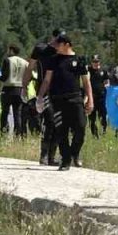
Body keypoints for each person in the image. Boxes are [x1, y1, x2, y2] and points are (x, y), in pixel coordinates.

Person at [39, 33, 92, 170]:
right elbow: (47, 80)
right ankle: (65, 160)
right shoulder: (53, 60)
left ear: (67, 45)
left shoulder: (79, 60)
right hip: (57, 99)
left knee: (80, 128)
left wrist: (90, 99)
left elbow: (86, 82)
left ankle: (74, 153)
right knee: (61, 130)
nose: (56, 46)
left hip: (75, 98)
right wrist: (40, 96)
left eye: (59, 44)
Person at [27, 31, 60, 165]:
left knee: (58, 123)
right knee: (49, 121)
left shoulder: (63, 52)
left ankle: (52, 156)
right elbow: (30, 67)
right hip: (44, 90)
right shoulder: (40, 49)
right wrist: (24, 85)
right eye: (57, 38)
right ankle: (44, 155)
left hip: (60, 91)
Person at [0, 45, 29, 137]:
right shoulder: (25, 62)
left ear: (11, 50)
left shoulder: (7, 60)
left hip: (8, 88)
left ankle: (4, 133)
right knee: (17, 114)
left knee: (5, 113)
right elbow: (29, 76)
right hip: (19, 89)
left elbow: (4, 76)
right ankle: (18, 134)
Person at [87, 55, 109, 138]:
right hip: (91, 97)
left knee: (103, 115)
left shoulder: (103, 70)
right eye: (94, 61)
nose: (96, 63)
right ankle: (94, 134)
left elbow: (106, 81)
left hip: (101, 97)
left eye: (97, 61)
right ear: (91, 62)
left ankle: (103, 131)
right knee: (92, 117)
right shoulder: (88, 70)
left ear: (99, 62)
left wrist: (105, 86)